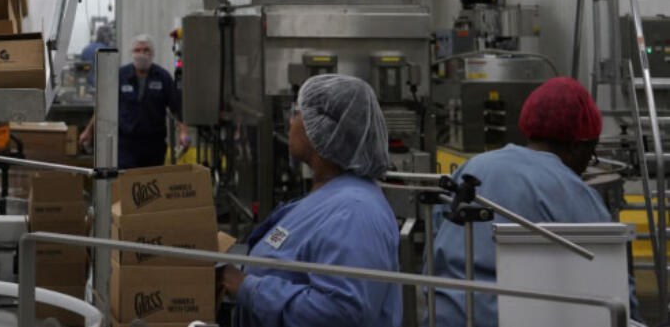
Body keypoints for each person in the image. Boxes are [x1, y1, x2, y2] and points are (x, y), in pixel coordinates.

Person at [431, 76, 637, 327]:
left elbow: (434, 248)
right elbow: (612, 282)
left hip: (446, 315)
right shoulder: (572, 192)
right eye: (590, 153)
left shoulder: (471, 169)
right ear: (576, 146)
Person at [221, 74, 401, 326]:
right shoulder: (329, 195)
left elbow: (342, 314)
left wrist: (246, 288)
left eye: (297, 113)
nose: (290, 123)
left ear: (322, 130)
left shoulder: (354, 212)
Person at [78, 34, 189, 169]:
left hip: (154, 145)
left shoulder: (163, 77)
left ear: (152, 54)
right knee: (127, 183)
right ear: (132, 53)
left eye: (146, 50)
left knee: (151, 184)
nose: (141, 54)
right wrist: (88, 131)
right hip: (126, 145)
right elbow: (104, 106)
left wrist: (183, 132)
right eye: (137, 50)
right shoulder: (120, 75)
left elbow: (176, 108)